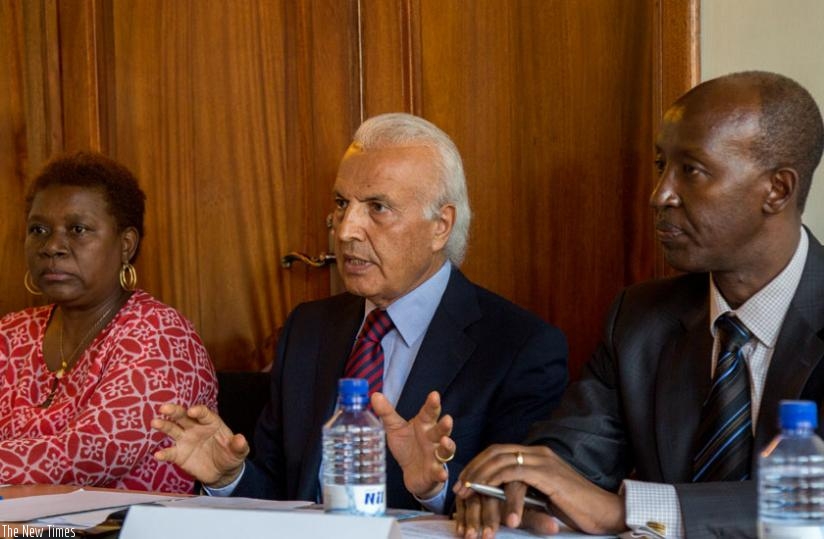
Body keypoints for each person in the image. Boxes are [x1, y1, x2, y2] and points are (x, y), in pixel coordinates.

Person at [454, 70, 824, 538]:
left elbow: (817, 502)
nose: (660, 195)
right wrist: (521, 486)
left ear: (777, 190)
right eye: (660, 166)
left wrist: (628, 509)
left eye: (691, 170)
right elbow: (572, 455)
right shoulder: (640, 319)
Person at [153, 112, 569, 511]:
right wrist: (230, 478)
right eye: (341, 202)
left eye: (377, 207)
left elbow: (519, 510)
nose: (346, 229)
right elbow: (282, 494)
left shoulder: (519, 348)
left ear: (440, 226)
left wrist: (435, 490)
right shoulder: (309, 329)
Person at [0, 152, 218, 493]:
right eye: (38, 230)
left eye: (78, 229)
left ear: (126, 245)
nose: (52, 246)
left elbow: (89, 457)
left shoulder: (160, 335)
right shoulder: (11, 334)